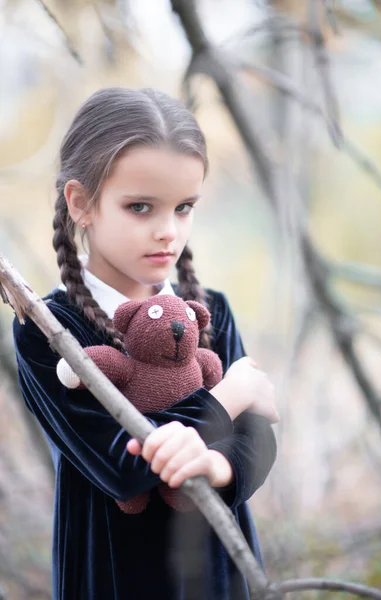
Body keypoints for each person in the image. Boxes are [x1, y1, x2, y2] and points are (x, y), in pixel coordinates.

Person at [12, 87, 279, 600]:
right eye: (141, 207)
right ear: (82, 204)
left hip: (218, 575)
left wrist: (216, 464)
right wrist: (228, 397)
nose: (167, 232)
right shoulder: (47, 328)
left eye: (184, 207)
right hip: (113, 577)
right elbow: (122, 467)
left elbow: (257, 438)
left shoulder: (210, 310)